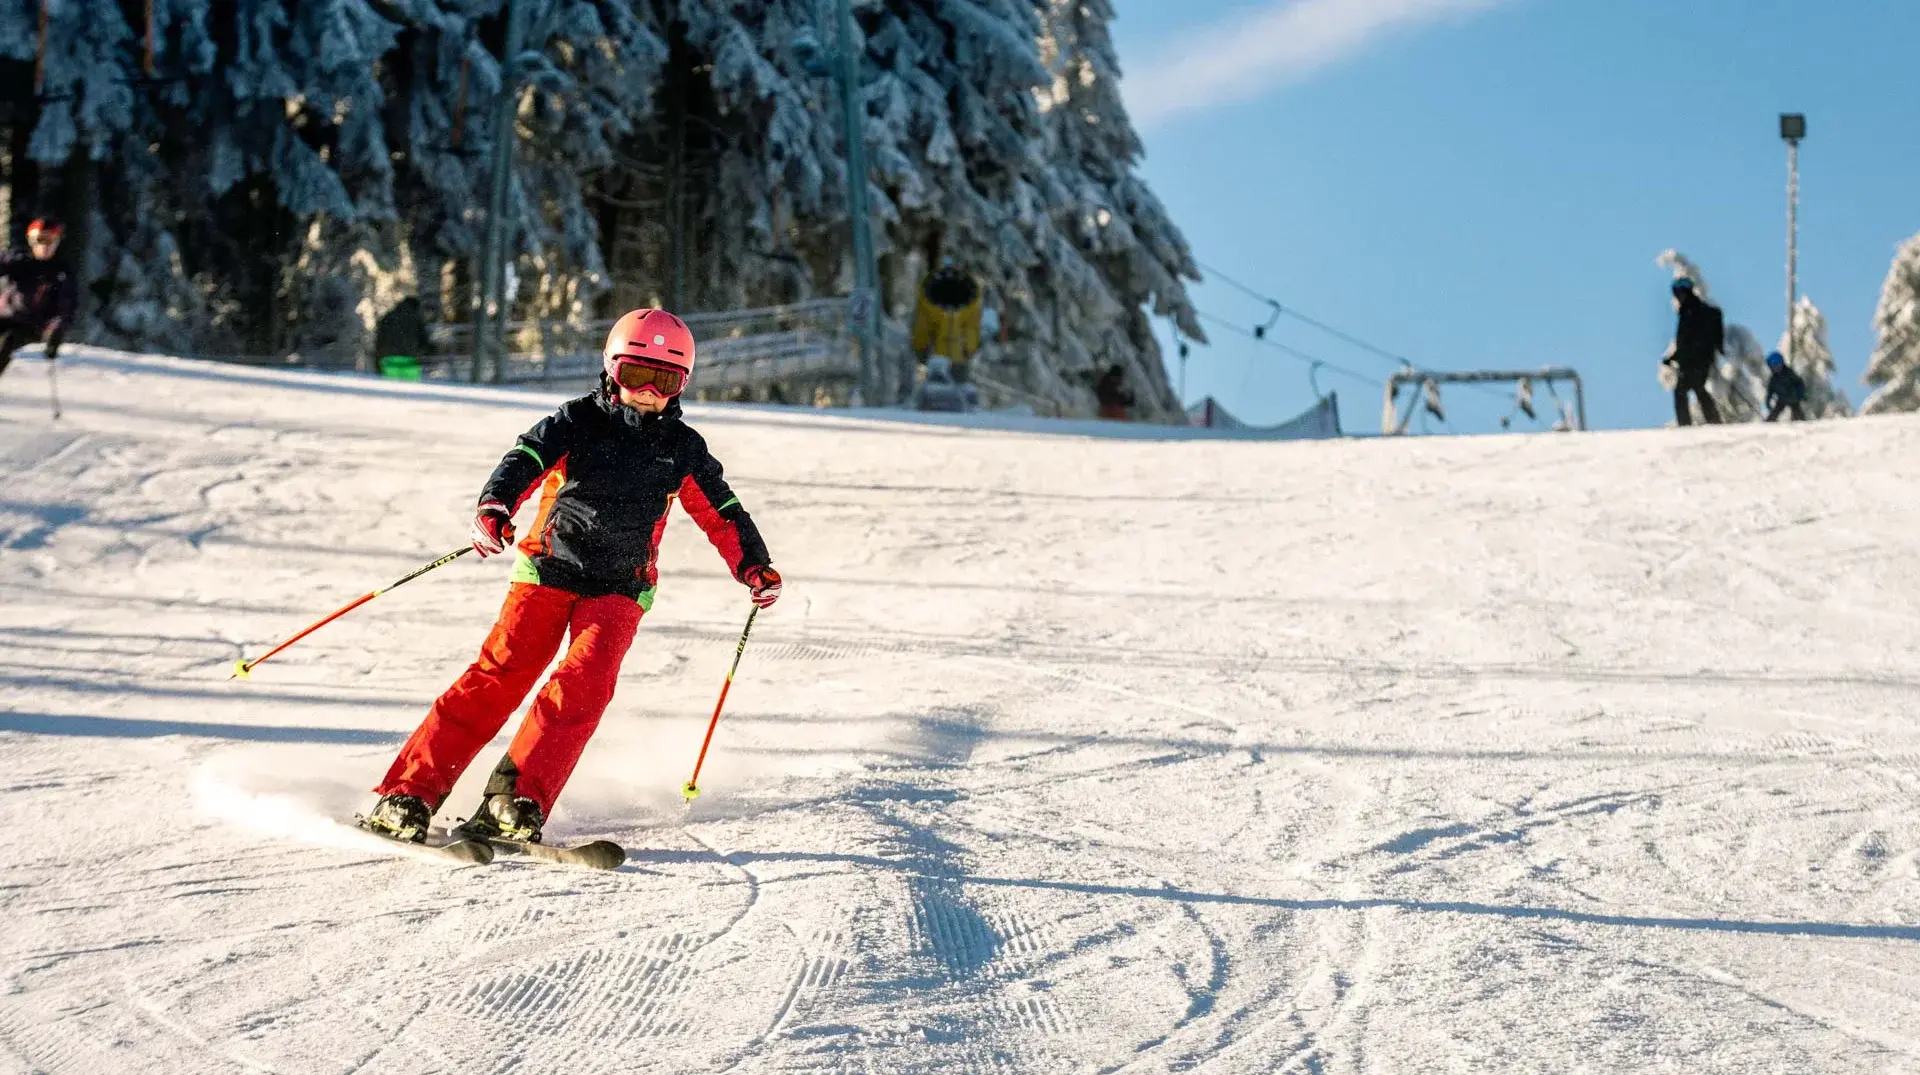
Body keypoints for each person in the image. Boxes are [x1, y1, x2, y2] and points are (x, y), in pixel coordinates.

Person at [364, 308, 783, 844]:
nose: (649, 391)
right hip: (547, 568)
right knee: (499, 676)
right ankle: (408, 793)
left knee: (582, 689)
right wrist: (494, 506)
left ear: (682, 385)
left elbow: (723, 510)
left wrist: (753, 564)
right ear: (612, 370)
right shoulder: (576, 420)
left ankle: (515, 800)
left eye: (666, 380)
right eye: (637, 375)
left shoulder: (682, 449)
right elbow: (524, 458)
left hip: (621, 586)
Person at [0, 217, 76, 380]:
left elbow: (65, 307)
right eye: (40, 240)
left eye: (50, 240)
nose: (44, 246)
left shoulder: (60, 273)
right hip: (5, 317)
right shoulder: (19, 261)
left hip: (32, 326)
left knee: (7, 341)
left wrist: (55, 333)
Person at [1663, 277, 1723, 426]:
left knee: (1684, 390)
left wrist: (1678, 356)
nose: (1677, 297)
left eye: (1677, 293)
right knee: (1697, 388)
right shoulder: (1695, 309)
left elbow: (1687, 339)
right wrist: (1674, 357)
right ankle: (1713, 420)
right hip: (1700, 358)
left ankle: (1687, 424)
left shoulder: (1690, 311)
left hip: (1693, 359)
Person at [371, 296, 434, 378]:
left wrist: (377, 361)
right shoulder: (415, 319)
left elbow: (380, 340)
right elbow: (423, 340)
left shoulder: (389, 316)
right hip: (409, 359)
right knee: (409, 388)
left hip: (389, 359)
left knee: (389, 387)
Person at [1764, 352, 1807, 422]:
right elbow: (1770, 391)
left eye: (1777, 366)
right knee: (1775, 412)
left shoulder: (1789, 373)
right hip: (1782, 399)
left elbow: (1799, 383)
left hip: (1793, 397)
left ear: (1781, 364)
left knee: (1797, 412)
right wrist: (1768, 401)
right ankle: (1769, 423)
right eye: (1773, 367)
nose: (1775, 369)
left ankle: (1800, 423)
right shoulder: (1773, 379)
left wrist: (1801, 394)